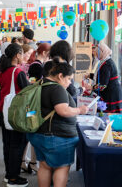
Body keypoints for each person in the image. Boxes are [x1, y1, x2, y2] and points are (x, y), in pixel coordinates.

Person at [27, 58, 89, 187]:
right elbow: (63, 110)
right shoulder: (57, 88)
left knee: (44, 166)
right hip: (57, 137)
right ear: (60, 76)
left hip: (38, 134)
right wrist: (80, 110)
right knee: (62, 167)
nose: (69, 82)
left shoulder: (39, 83)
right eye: (69, 79)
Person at [0, 43, 29, 187]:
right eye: (22, 53)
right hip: (16, 112)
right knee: (17, 144)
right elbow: (27, 91)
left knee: (8, 144)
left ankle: (8, 174)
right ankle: (14, 178)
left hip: (4, 111)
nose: (23, 57)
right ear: (17, 55)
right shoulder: (17, 72)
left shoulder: (4, 70)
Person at [83, 43, 122, 113]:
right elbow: (100, 76)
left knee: (109, 117)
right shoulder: (104, 61)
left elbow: (103, 85)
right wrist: (89, 76)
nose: (95, 54)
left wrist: (91, 87)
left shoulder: (107, 65)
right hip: (110, 93)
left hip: (111, 95)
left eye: (96, 52)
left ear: (102, 52)